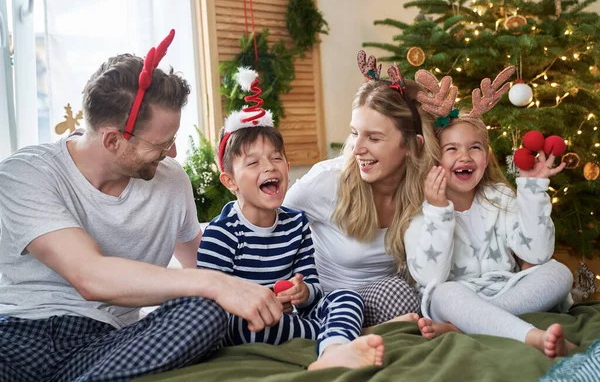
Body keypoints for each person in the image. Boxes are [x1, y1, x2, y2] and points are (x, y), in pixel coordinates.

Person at [0, 31, 282, 381]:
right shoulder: (26, 172)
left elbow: (205, 263)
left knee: (206, 312)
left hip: (107, 344)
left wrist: (267, 292)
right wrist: (213, 284)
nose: (173, 154)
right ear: (113, 140)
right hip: (18, 336)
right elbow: (89, 276)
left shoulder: (170, 180)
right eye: (163, 143)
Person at [197, 67, 385, 370]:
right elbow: (210, 304)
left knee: (347, 298)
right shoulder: (222, 233)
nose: (269, 167)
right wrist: (263, 302)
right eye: (253, 163)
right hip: (247, 322)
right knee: (249, 323)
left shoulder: (296, 224)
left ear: (287, 165)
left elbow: (313, 288)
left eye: (275, 158)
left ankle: (334, 349)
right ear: (230, 182)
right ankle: (336, 337)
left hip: (292, 318)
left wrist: (303, 291)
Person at [404, 67, 575, 358]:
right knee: (443, 293)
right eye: (452, 149)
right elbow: (430, 277)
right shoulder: (423, 214)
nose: (465, 156)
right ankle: (530, 336)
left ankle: (470, 324)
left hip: (507, 290)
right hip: (458, 297)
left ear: (486, 157)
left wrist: (533, 190)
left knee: (558, 271)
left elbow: (536, 255)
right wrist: (438, 211)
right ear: (435, 158)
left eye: (475, 147)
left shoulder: (500, 198)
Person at [284, 52, 438, 327]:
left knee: (429, 292)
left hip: (385, 295)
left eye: (374, 137)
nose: (357, 149)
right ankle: (351, 332)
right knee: (399, 294)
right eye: (354, 133)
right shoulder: (325, 183)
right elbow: (273, 230)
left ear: (412, 145)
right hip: (330, 302)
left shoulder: (427, 188)